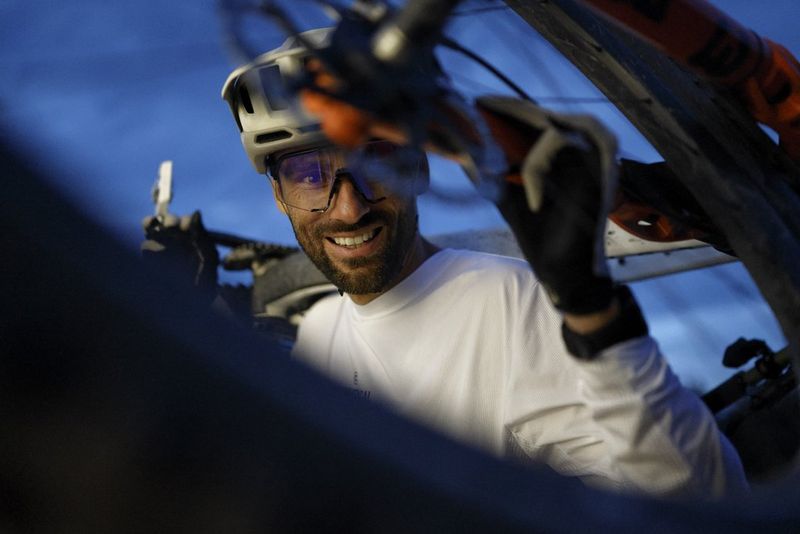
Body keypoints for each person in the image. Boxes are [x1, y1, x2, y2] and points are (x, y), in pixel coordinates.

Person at [219, 29, 748, 497]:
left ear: (419, 168)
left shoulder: (513, 304)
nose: (350, 208)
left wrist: (594, 313)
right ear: (278, 197)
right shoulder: (318, 332)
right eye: (310, 176)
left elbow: (693, 499)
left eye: (376, 163)